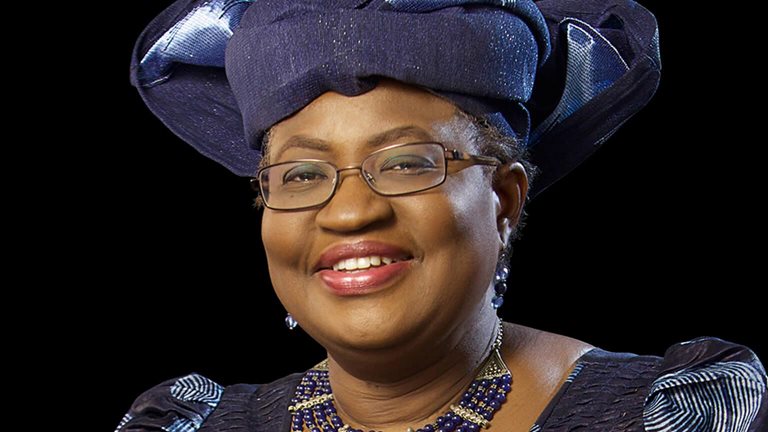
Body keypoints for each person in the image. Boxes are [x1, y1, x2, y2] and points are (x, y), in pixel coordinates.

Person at [120, 0, 766, 431]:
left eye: (407, 163)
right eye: (302, 175)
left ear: (505, 199)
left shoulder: (672, 415)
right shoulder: (192, 424)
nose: (350, 214)